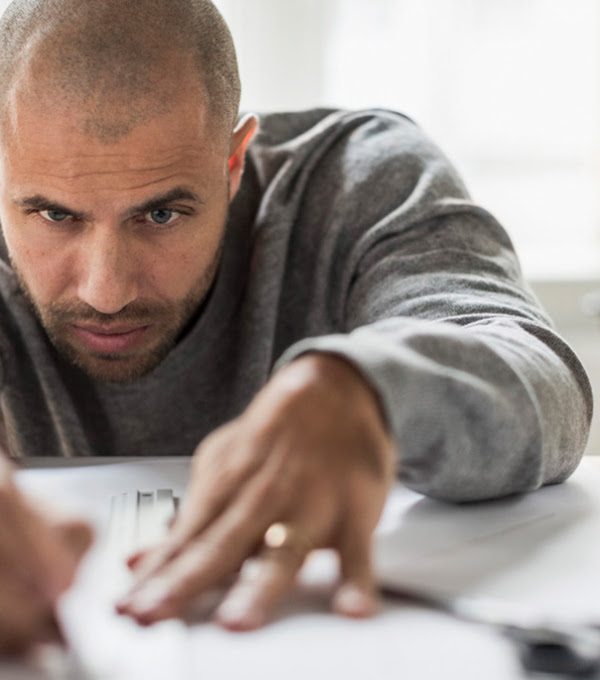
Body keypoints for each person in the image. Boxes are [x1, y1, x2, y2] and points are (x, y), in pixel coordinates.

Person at [0, 0, 591, 655]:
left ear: (232, 164)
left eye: (161, 215)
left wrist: (364, 390)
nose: (104, 290)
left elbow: (546, 380)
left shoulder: (355, 180)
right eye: (55, 216)